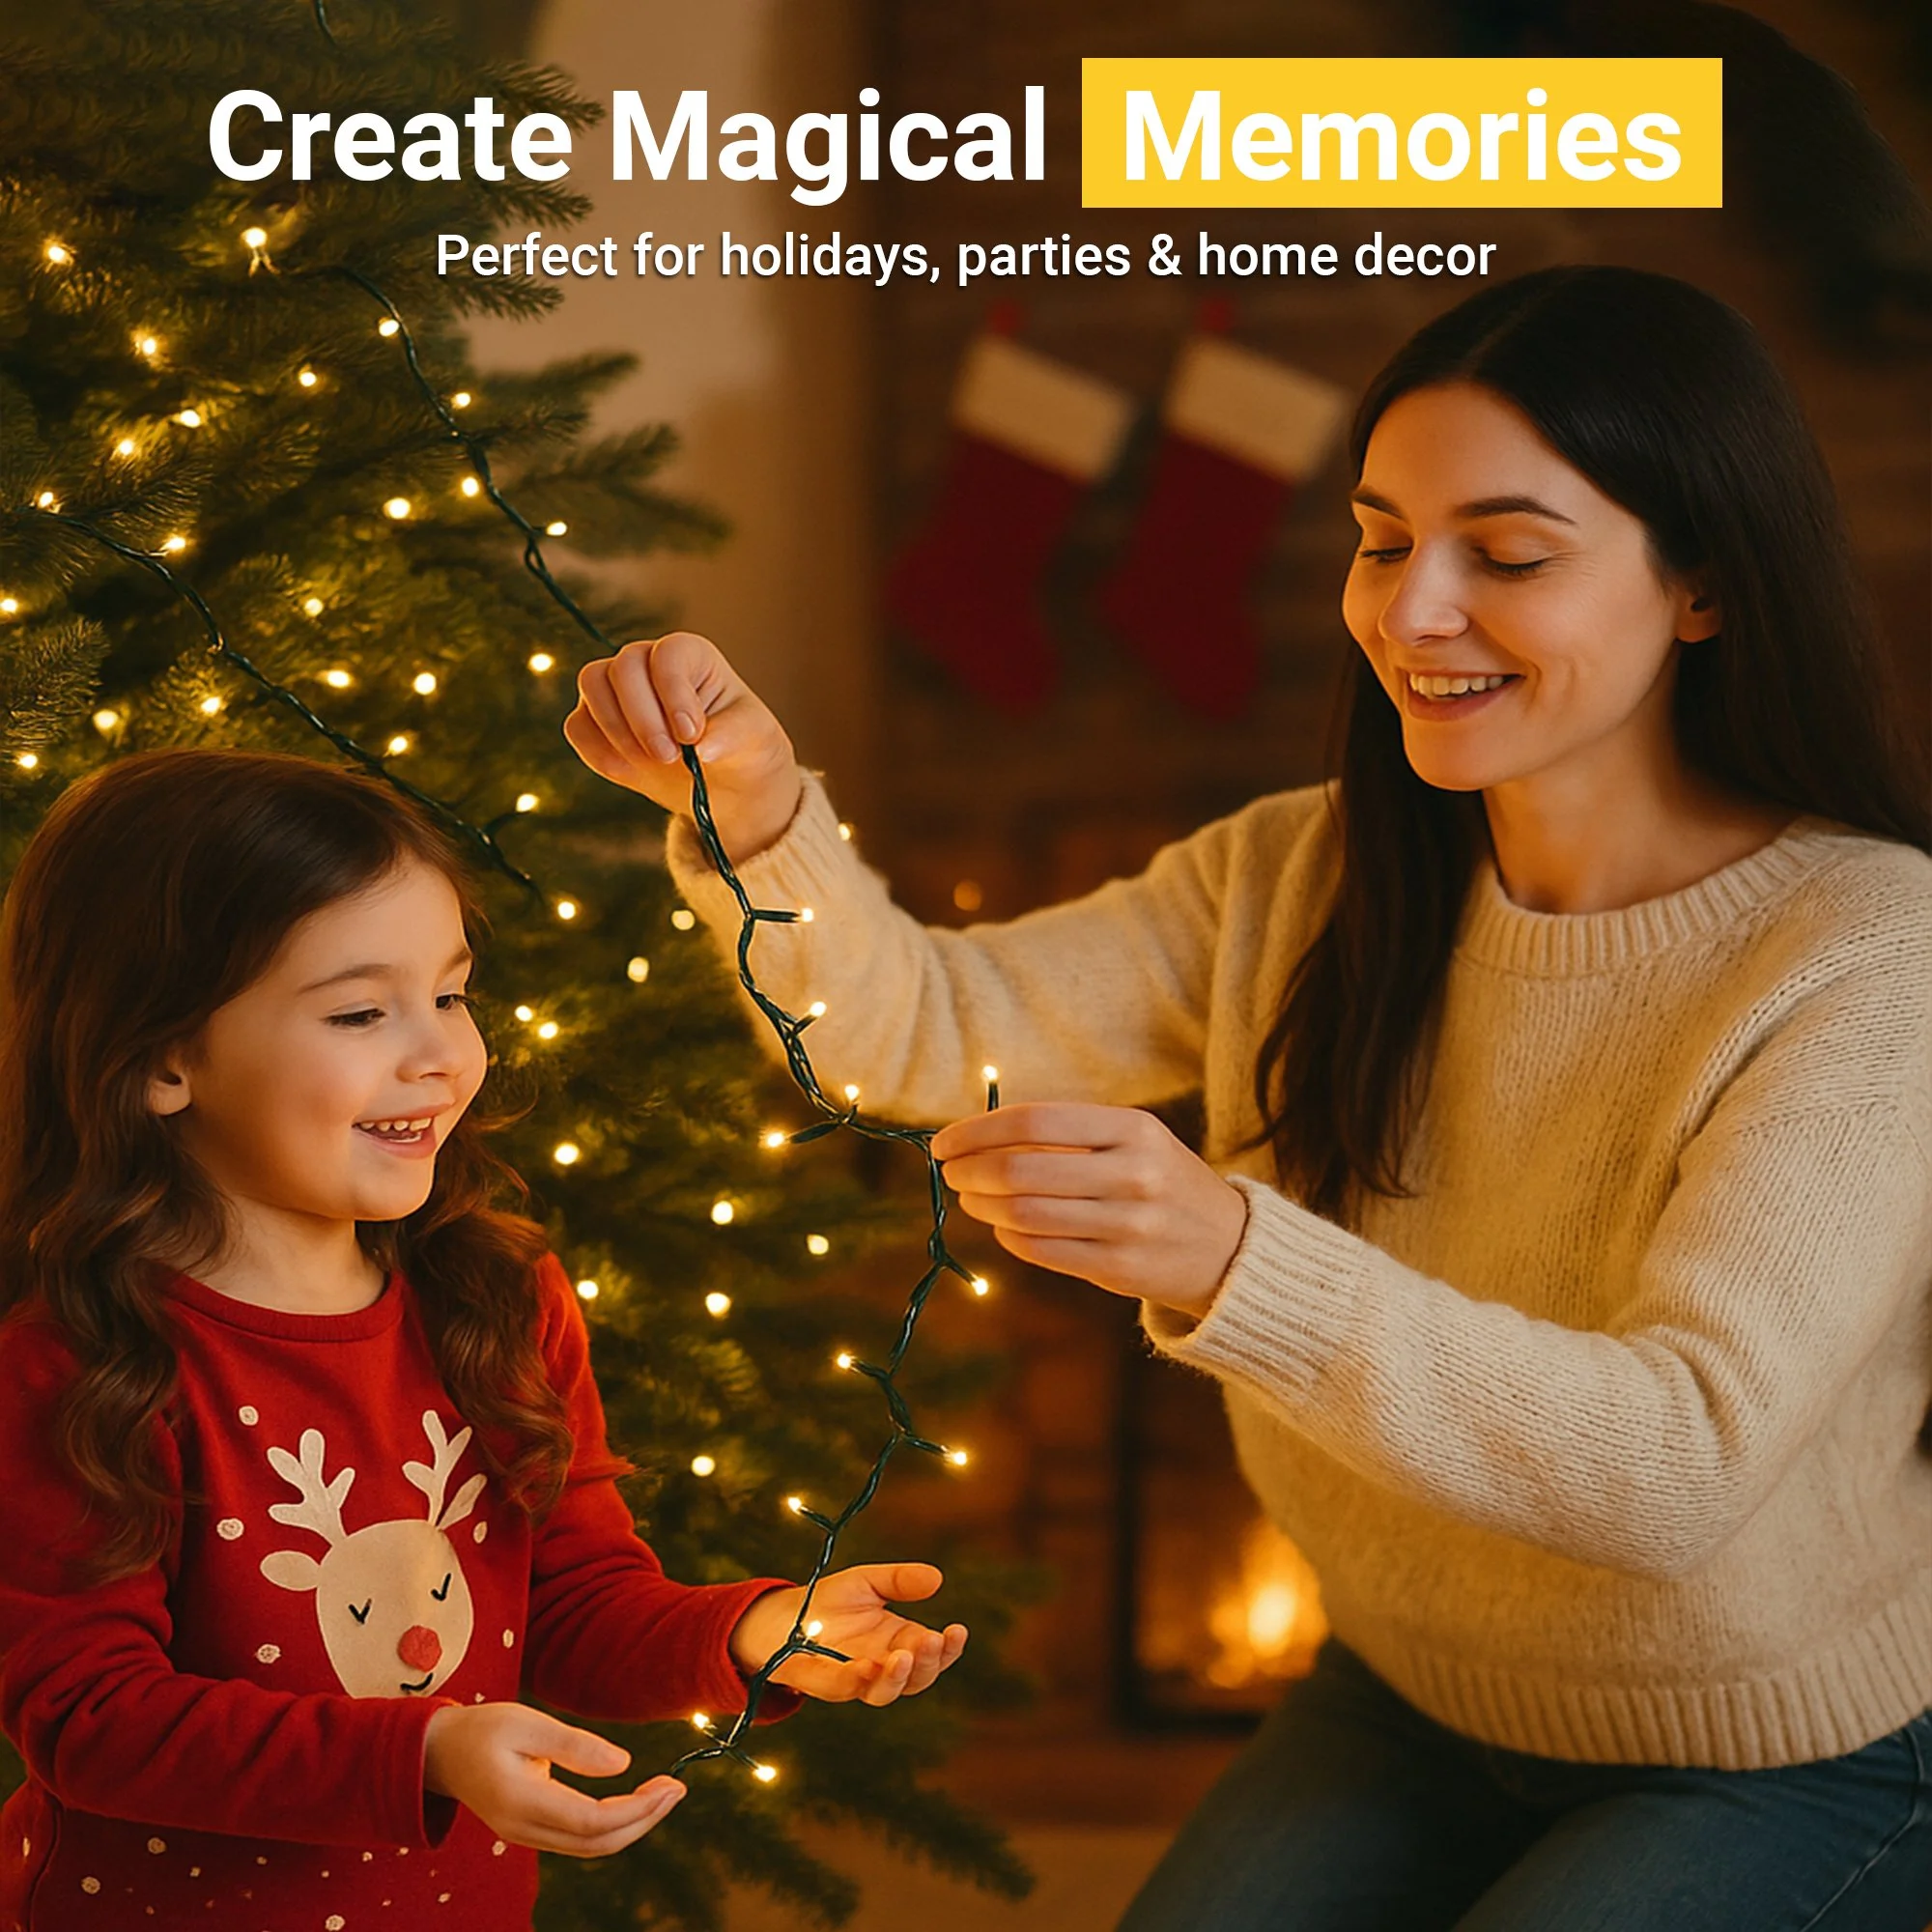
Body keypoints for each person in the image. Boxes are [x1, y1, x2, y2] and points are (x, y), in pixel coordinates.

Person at [562, 265, 1932, 1929]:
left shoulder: (1870, 953)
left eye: (1505, 557)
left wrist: (1231, 1257)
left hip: (1778, 1744)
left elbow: (1675, 1464)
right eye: (1378, 540)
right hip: (1412, 1691)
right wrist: (763, 819)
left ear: (1704, 588)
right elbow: (917, 1029)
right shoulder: (1303, 875)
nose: (1412, 613)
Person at [0, 749, 967, 1932]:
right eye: (361, 1010)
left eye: (451, 994)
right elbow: (91, 1717)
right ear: (160, 1057)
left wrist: (753, 1631)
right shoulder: (75, 1358)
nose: (444, 1052)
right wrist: (430, 1746)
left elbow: (571, 1601)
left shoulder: (497, 1298)